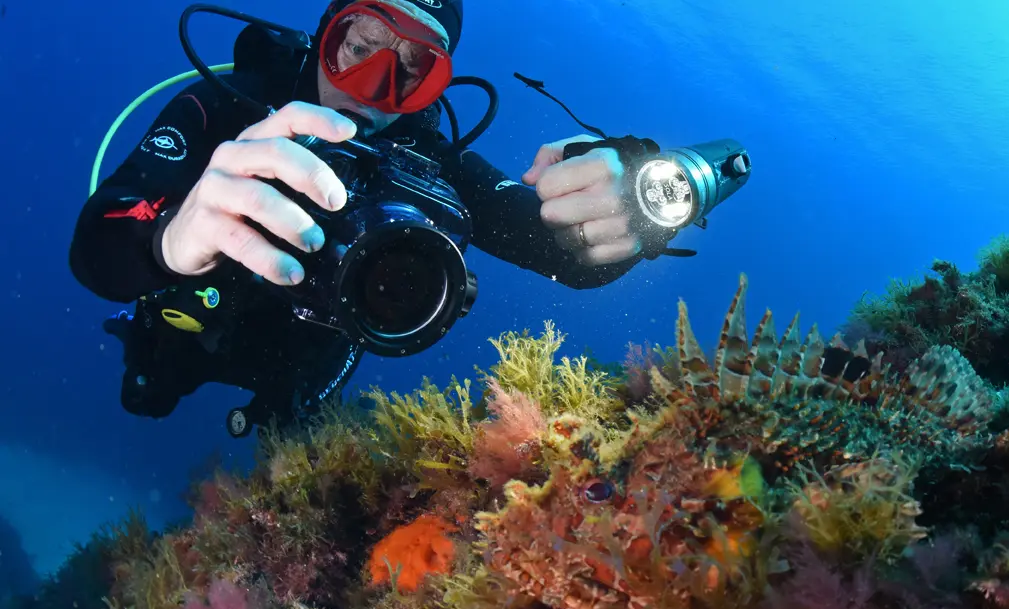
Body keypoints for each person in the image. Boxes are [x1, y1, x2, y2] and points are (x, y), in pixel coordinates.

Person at [69, 0, 649, 438]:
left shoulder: (431, 168)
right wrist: (170, 237)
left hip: (299, 375)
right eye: (359, 46)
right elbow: (98, 244)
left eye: (412, 69)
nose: (374, 88)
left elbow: (571, 254)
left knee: (287, 439)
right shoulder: (229, 107)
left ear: (434, 86)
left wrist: (640, 198)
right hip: (185, 335)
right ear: (327, 31)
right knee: (149, 395)